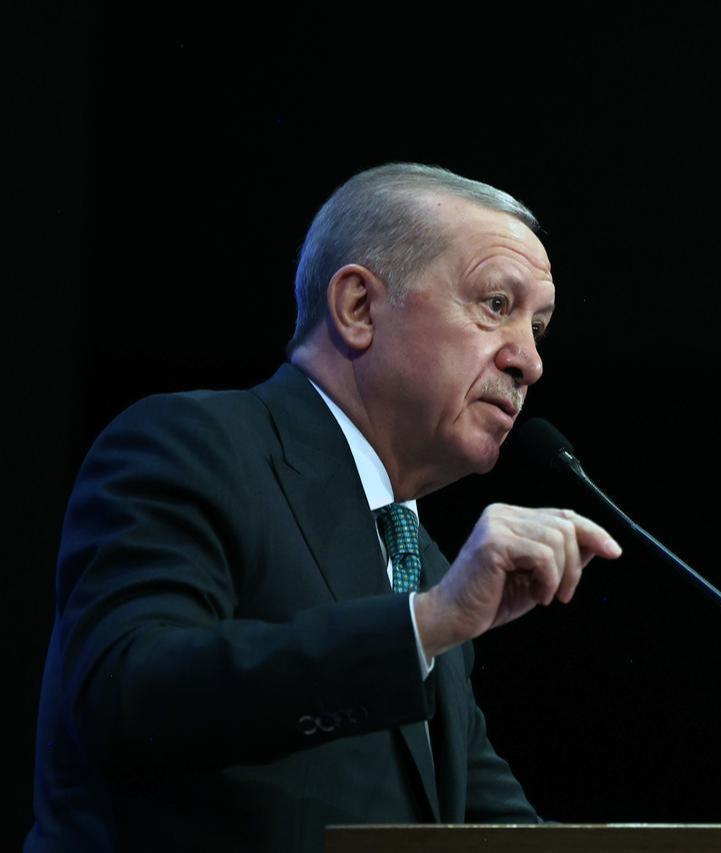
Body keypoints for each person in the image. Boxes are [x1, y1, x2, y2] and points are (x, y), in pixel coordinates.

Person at [26, 163, 622, 852]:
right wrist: (423, 625)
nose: (529, 360)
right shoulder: (193, 445)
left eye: (538, 327)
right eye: (495, 304)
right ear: (358, 308)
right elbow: (124, 697)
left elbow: (489, 825)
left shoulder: (417, 559)